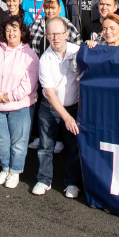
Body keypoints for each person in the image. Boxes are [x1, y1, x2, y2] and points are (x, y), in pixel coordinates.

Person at [0, 19, 40, 189]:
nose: (11, 34)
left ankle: (15, 171)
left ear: (22, 32)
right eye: (8, 30)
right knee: (0, 140)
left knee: (18, 142)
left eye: (15, 30)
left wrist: (11, 96)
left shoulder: (30, 55)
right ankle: (5, 168)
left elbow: (30, 82)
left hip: (20, 106)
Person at [37, 16, 83, 198]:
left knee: (73, 149)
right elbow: (49, 93)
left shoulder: (79, 52)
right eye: (51, 34)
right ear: (47, 36)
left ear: (67, 34)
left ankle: (72, 183)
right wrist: (67, 118)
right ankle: (43, 179)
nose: (55, 38)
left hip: (74, 107)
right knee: (45, 146)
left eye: (59, 33)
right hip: (50, 109)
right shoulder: (44, 59)